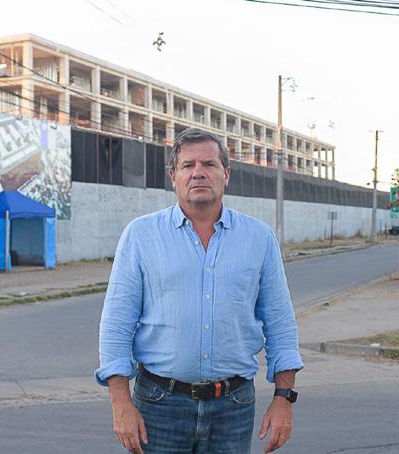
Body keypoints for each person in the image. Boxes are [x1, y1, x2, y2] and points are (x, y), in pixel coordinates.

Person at [95, 128, 303, 454]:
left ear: (226, 174)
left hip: (233, 407)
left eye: (209, 164)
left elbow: (280, 323)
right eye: (188, 165)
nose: (198, 172)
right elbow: (117, 323)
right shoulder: (140, 236)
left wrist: (284, 398)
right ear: (173, 177)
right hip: (159, 406)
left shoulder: (258, 238)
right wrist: (119, 401)